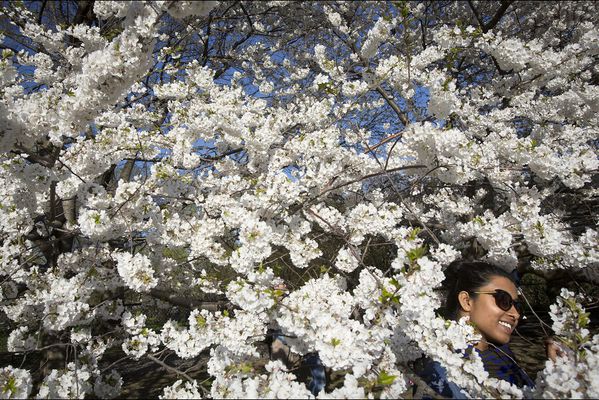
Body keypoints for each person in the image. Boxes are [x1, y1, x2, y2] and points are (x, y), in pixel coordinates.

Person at [414, 260, 562, 398]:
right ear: (467, 301)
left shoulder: (502, 354)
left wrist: (558, 374)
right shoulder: (440, 375)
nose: (515, 314)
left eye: (518, 306)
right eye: (504, 300)